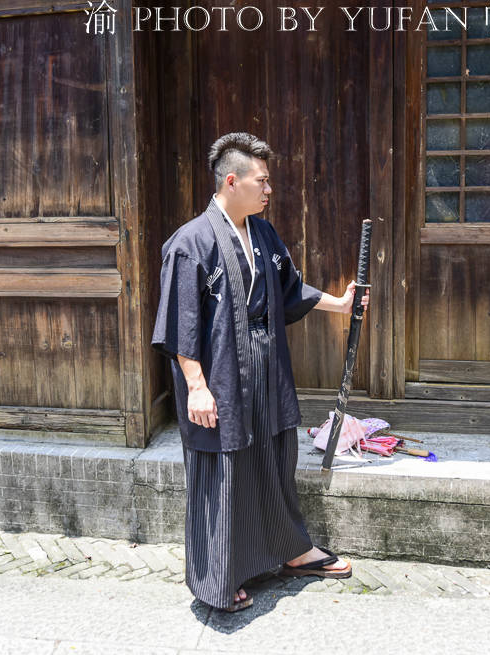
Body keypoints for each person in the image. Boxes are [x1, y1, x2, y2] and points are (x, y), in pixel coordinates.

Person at [151, 132, 370, 612]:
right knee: (223, 469)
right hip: (220, 373)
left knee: (273, 458)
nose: (269, 190)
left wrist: (341, 303)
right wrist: (196, 387)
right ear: (232, 181)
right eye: (262, 181)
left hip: (266, 368)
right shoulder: (190, 243)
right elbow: (180, 320)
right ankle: (217, 581)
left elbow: (288, 291)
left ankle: (293, 551)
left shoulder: (262, 233)